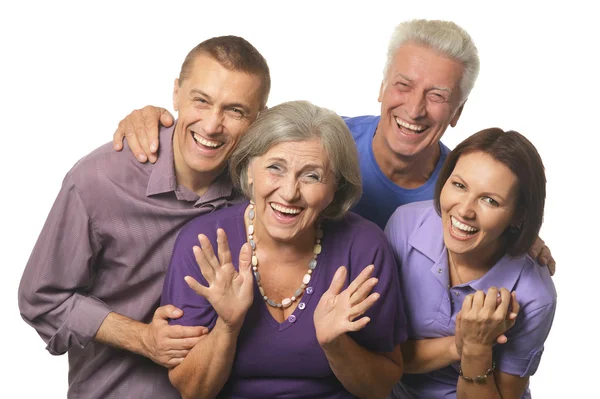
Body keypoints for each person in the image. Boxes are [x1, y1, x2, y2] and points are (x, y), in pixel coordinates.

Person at [111, 19, 556, 272]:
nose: (415, 109)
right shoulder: (318, 146)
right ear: (381, 87)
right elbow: (228, 134)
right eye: (403, 85)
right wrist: (158, 122)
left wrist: (515, 236)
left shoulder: (463, 192)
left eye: (438, 96)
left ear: (458, 111)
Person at [18, 35, 270, 398]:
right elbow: (42, 298)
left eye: (235, 111)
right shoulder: (98, 181)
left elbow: (316, 144)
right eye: (201, 100)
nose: (213, 124)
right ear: (176, 95)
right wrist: (142, 338)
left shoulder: (264, 187)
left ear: (259, 118)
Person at [163, 100, 407, 399]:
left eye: (312, 176)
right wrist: (227, 326)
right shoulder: (203, 243)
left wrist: (336, 345)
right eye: (275, 168)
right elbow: (191, 391)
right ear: (249, 170)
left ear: (335, 190)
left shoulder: (366, 248)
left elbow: (381, 387)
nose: (290, 192)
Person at [385, 128, 556, 398]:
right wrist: (459, 344)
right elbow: (382, 356)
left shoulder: (534, 294)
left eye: (490, 200)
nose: (464, 210)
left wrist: (476, 349)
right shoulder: (404, 226)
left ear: (519, 215)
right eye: (459, 185)